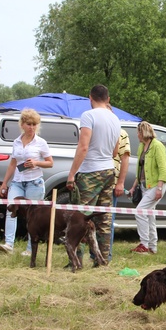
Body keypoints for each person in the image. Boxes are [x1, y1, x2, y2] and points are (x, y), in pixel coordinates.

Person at [66, 85, 120, 262]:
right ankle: (102, 259)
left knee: (80, 216)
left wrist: (72, 174)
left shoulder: (88, 116)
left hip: (90, 171)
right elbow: (115, 151)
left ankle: (76, 259)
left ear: (90, 98)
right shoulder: (115, 118)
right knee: (104, 218)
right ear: (108, 99)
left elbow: (83, 147)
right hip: (109, 170)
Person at [0, 108, 53, 255]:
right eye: (29, 124)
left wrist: (36, 163)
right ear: (22, 124)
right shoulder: (16, 142)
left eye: (34, 124)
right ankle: (8, 244)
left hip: (34, 182)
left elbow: (50, 163)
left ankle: (30, 248)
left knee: (33, 216)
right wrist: (4, 183)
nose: (32, 127)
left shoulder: (41, 142)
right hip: (17, 181)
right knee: (11, 210)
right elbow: (13, 163)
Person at [129, 121, 166, 254]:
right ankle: (153, 246)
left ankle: (144, 244)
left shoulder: (157, 146)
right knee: (150, 215)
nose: (137, 135)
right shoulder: (142, 146)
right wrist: (133, 187)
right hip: (144, 185)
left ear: (144, 132)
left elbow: (163, 169)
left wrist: (159, 188)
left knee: (140, 211)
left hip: (155, 185)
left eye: (138, 132)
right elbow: (140, 170)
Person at [109, 124, 130, 262]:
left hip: (112, 182)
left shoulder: (121, 133)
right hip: (92, 180)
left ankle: (106, 255)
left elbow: (125, 158)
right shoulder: (91, 129)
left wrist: (120, 183)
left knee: (108, 220)